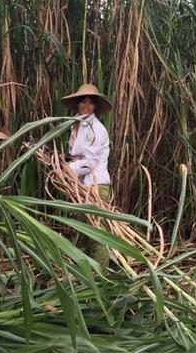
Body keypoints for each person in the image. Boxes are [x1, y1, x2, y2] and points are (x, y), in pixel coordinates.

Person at [60, 83, 113, 267]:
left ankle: (102, 281)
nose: (86, 106)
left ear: (95, 106)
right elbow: (76, 155)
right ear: (77, 104)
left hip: (96, 186)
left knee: (96, 237)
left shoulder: (96, 130)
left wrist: (64, 169)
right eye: (83, 102)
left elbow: (89, 163)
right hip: (81, 186)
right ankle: (84, 277)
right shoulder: (75, 124)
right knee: (82, 234)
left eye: (90, 103)